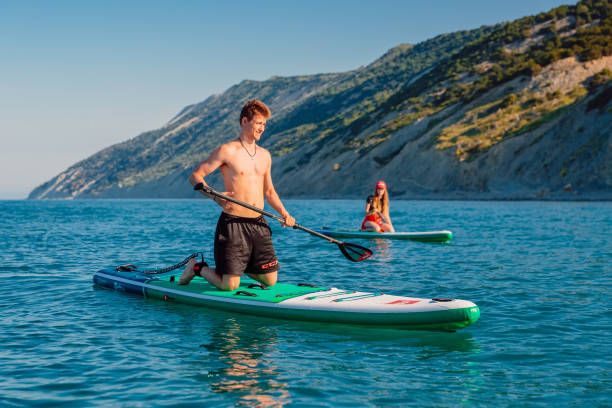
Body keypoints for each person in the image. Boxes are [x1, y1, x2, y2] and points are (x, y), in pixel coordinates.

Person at [179, 99, 295, 291]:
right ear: (244, 121)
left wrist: (284, 213)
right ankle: (197, 267)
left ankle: (240, 266)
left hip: (258, 223)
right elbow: (195, 176)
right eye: (258, 123)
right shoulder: (227, 151)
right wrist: (215, 195)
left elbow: (269, 191)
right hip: (233, 224)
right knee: (230, 285)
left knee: (270, 280)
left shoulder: (265, 155)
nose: (262, 128)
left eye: (264, 124)